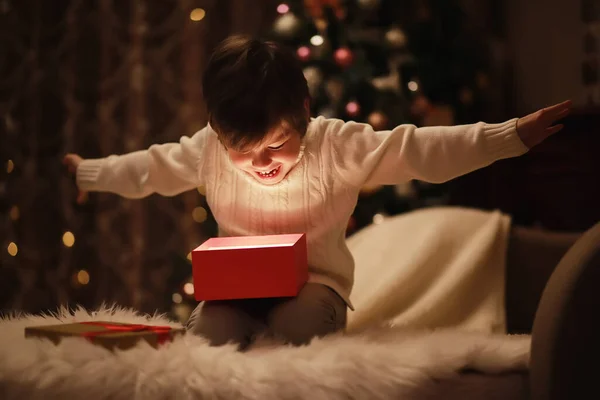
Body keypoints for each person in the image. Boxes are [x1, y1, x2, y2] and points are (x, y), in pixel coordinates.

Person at [63, 35, 572, 349]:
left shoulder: (335, 145)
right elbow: (151, 168)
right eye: (243, 151)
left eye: (277, 145)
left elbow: (419, 151)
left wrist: (512, 136)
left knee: (298, 325)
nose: (262, 164)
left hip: (316, 289)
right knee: (205, 339)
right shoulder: (208, 149)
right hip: (236, 294)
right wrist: (90, 173)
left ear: (304, 111)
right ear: (218, 131)